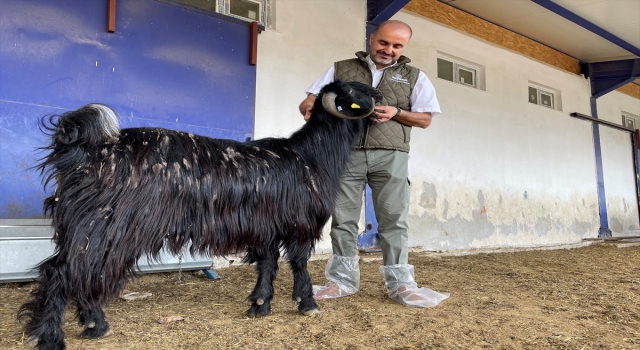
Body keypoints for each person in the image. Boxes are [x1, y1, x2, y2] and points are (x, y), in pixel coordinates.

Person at [298, 20, 449, 308]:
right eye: (383, 43)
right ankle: (341, 281)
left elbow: (426, 119)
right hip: (345, 153)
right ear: (371, 39)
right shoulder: (341, 68)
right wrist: (312, 108)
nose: (388, 50)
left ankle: (401, 284)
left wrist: (396, 112)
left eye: (397, 46)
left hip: (391, 154)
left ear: (404, 48)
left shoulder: (415, 76)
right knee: (342, 219)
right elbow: (308, 102)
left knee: (393, 220)